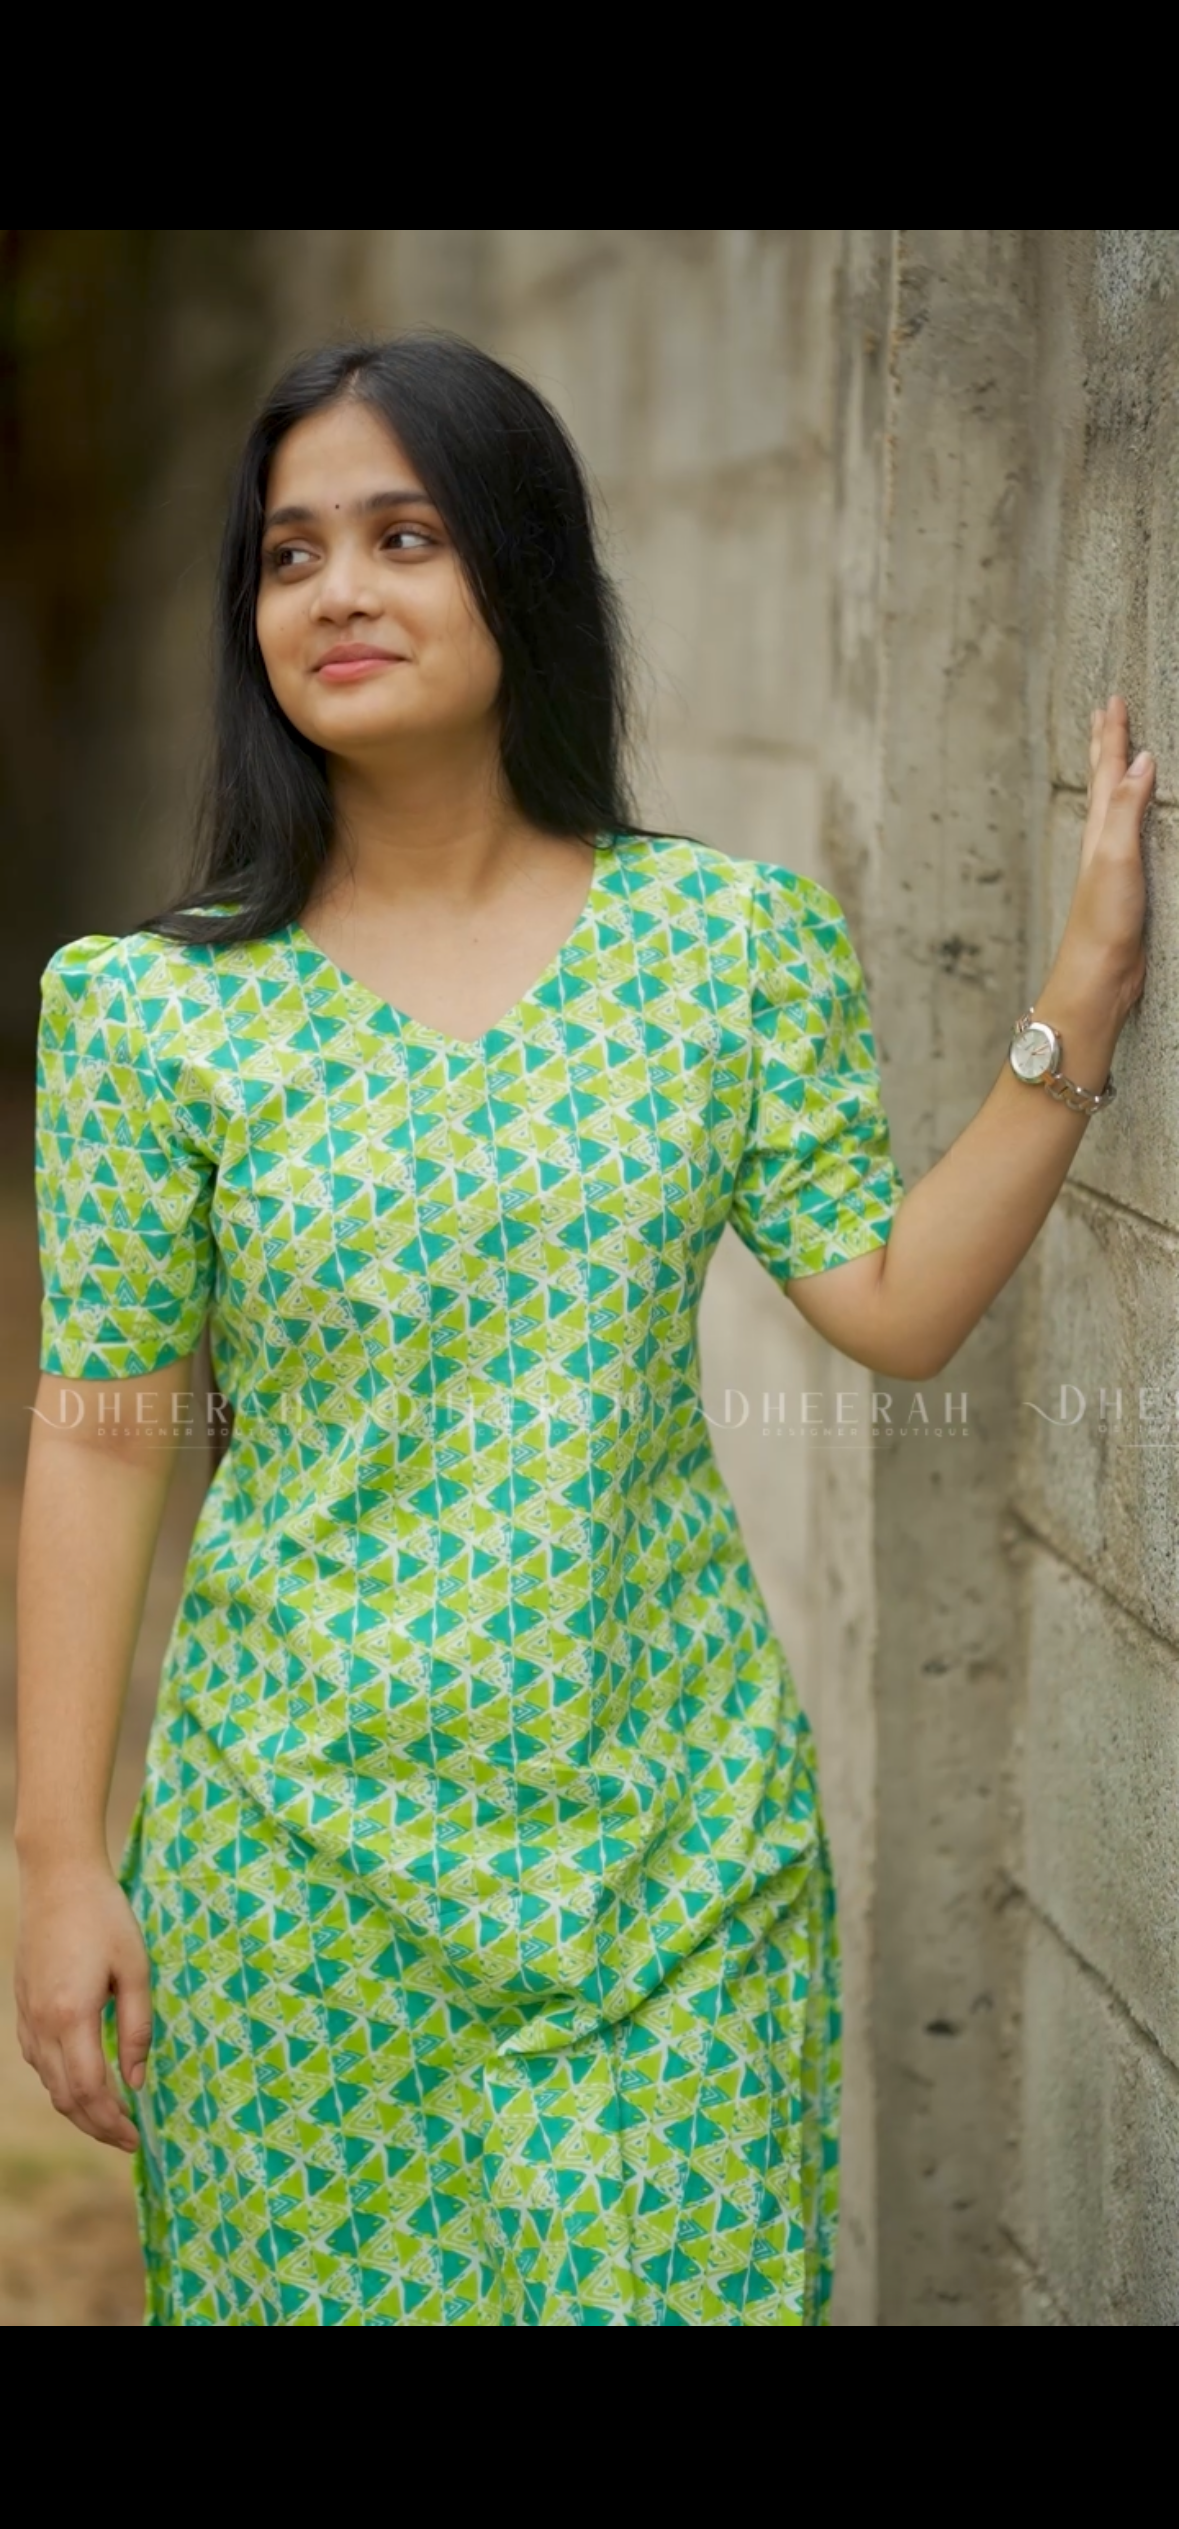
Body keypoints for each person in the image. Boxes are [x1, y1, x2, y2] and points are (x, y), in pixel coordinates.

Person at [14, 332, 1154, 2328]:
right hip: (292, 1876)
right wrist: (56, 1865)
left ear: (523, 569)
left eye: (404, 536)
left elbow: (889, 1307)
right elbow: (104, 1440)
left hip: (669, 1864)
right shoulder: (146, 1015)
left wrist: (1073, 1008)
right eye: (289, 554)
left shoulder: (723, 949)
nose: (338, 590)